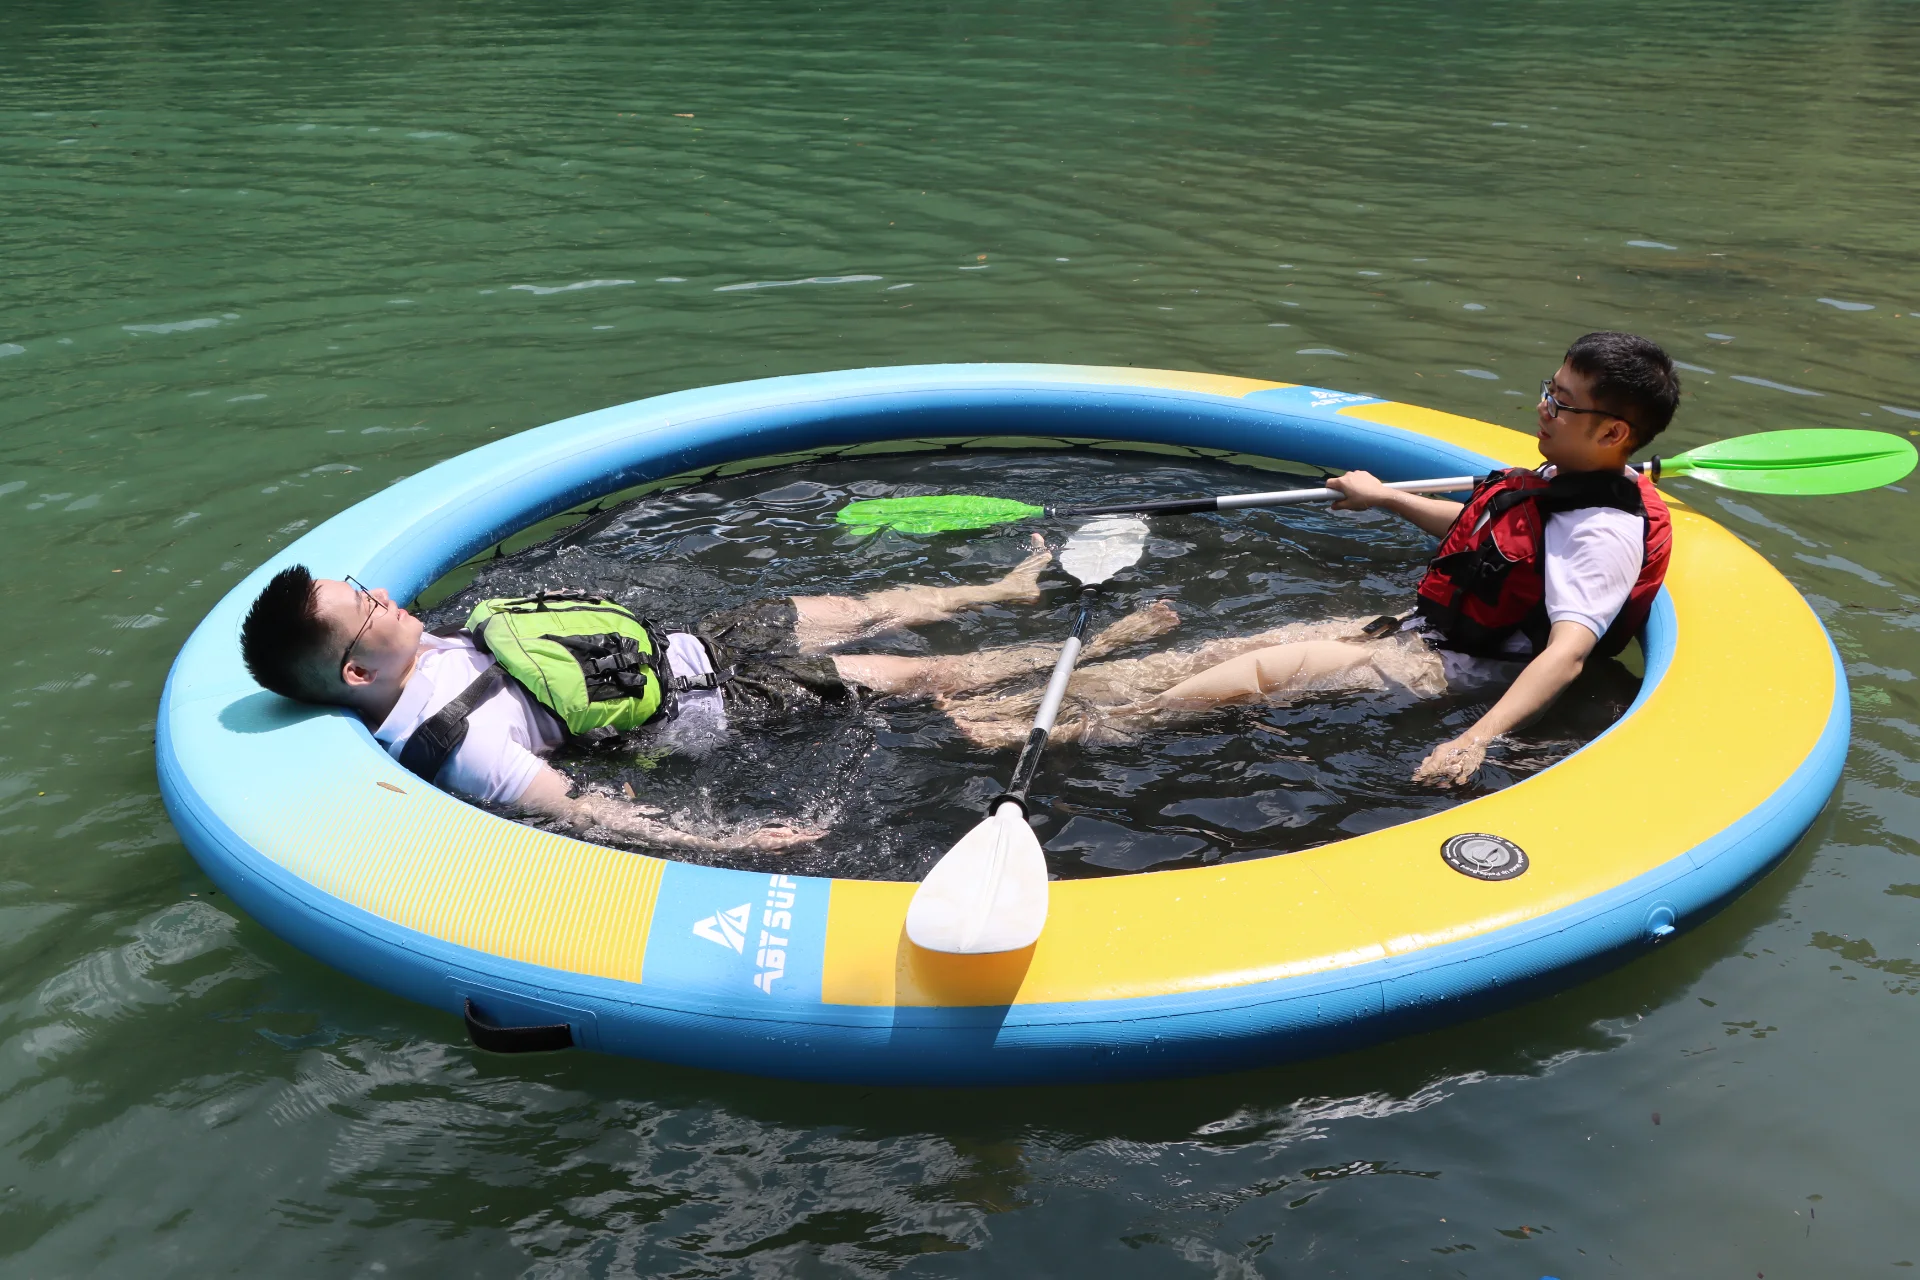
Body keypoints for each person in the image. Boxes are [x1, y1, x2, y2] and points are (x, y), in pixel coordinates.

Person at [940, 331, 1679, 787]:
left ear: (1614, 432)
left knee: (1246, 679)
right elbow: (1489, 543)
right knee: (1216, 651)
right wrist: (1385, 498)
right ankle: (1013, 702)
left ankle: (1062, 733)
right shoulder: (1560, 480)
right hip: (1418, 627)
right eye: (1549, 391)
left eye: (1562, 401)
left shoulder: (1602, 531)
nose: (1543, 408)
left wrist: (1476, 737)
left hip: (1461, 665)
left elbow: (1568, 655)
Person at [238, 538, 1178, 853]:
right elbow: (586, 809)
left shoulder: (406, 651)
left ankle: (999, 591)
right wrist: (724, 840)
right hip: (723, 699)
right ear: (358, 673)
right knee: (922, 676)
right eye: (364, 606)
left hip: (697, 642)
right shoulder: (459, 742)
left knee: (861, 605)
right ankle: (1093, 644)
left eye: (364, 584)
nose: (381, 596)